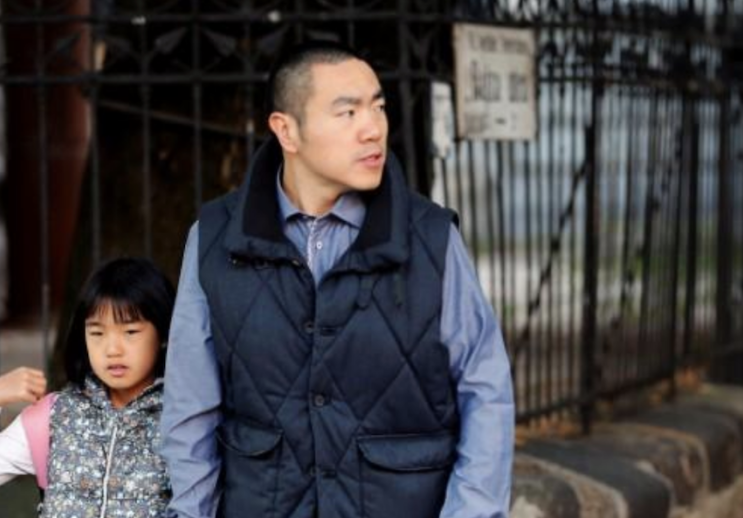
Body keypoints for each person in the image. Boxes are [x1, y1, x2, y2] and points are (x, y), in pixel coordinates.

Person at [160, 40, 514, 518]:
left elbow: (486, 392)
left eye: (378, 107)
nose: (372, 129)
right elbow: (190, 408)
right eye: (347, 113)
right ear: (287, 130)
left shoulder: (432, 239)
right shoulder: (215, 240)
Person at [0, 257, 177, 517]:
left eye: (130, 332)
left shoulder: (183, 419)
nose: (112, 350)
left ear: (163, 334)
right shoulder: (54, 415)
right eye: (97, 333)